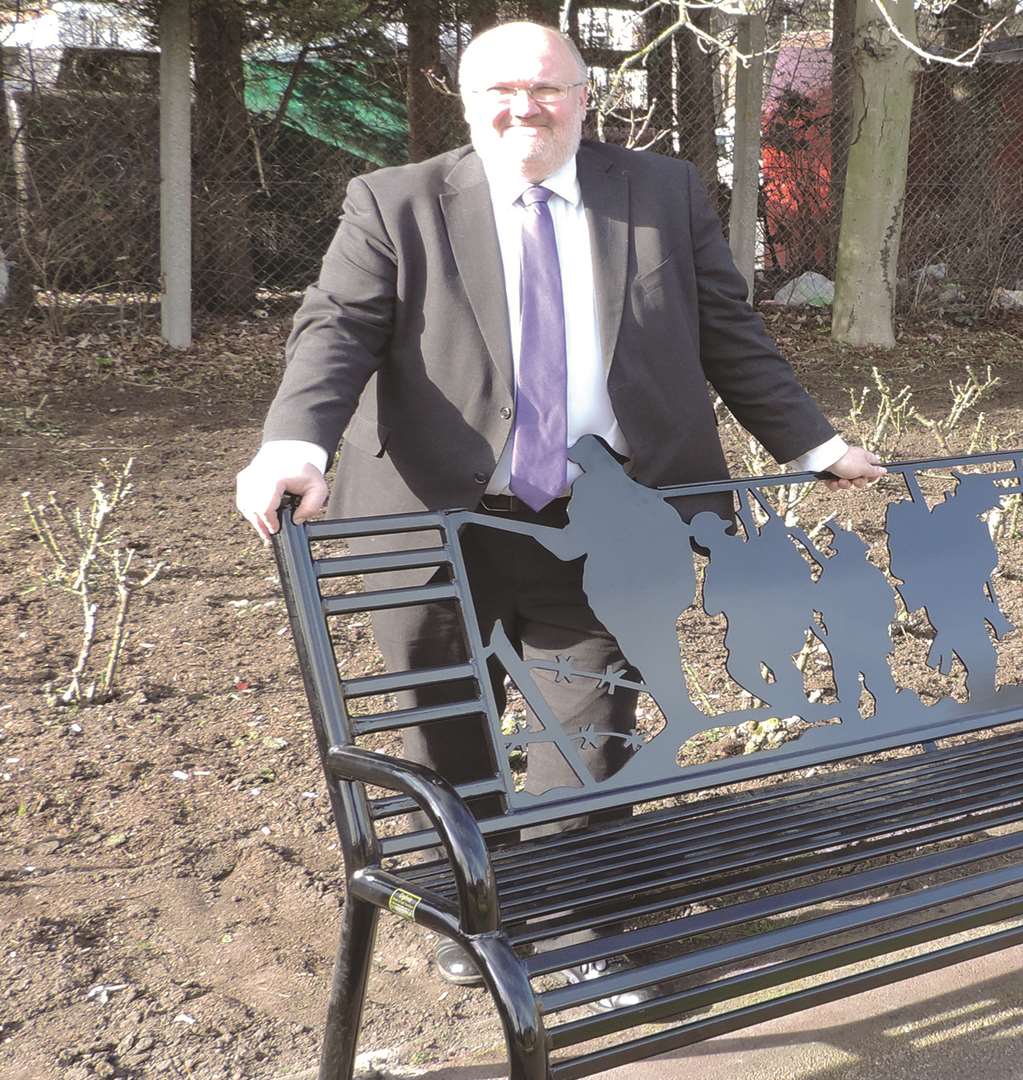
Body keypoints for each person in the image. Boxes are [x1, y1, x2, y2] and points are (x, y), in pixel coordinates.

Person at [232, 21, 883, 998]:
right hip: (436, 519)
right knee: (444, 722)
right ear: (465, 97)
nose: (524, 107)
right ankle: (471, 906)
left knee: (591, 733)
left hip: (606, 519)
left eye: (547, 89)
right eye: (501, 89)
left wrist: (811, 442)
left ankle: (583, 917)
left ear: (586, 97)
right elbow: (337, 328)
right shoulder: (396, 203)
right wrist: (293, 442)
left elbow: (727, 329)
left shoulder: (660, 194)